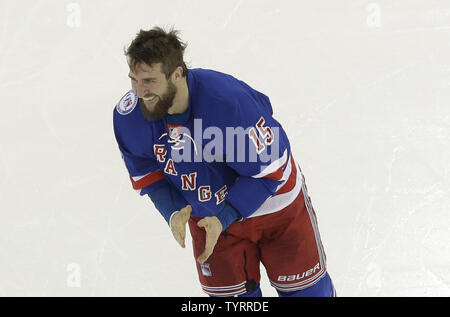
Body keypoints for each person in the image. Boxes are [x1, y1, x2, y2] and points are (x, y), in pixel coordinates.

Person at [113, 26, 335, 297]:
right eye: (134, 79)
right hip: (209, 221)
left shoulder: (228, 105)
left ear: (177, 74)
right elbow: (147, 172)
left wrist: (225, 217)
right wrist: (172, 210)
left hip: (275, 208)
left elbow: (270, 174)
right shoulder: (130, 117)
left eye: (149, 81)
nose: (139, 91)